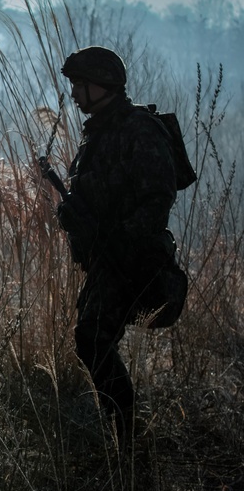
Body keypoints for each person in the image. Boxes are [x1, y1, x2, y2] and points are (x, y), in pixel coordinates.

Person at [55, 45, 185, 442]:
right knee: (92, 339)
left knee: (92, 338)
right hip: (105, 258)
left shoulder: (138, 128)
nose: (74, 94)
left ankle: (129, 436)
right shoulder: (99, 132)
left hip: (131, 258)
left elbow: (158, 197)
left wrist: (122, 241)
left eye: (80, 85)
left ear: (103, 85)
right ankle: (124, 432)